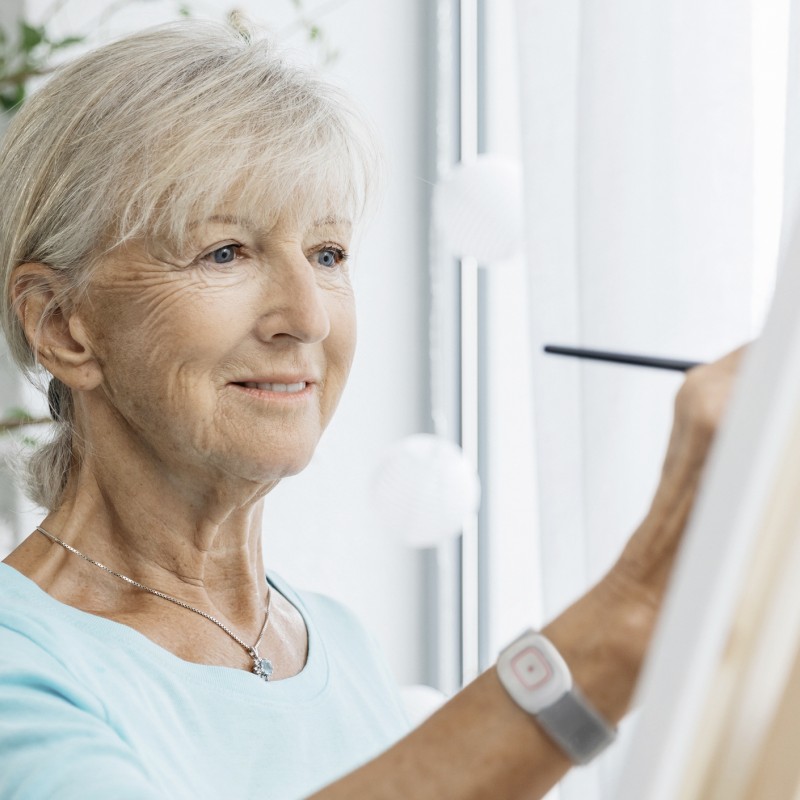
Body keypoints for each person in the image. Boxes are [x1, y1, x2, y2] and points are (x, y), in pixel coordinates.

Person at [0, 19, 742, 800]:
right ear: (62, 325)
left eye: (327, 255)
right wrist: (625, 622)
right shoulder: (20, 655)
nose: (308, 317)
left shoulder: (335, 641)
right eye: (226, 251)